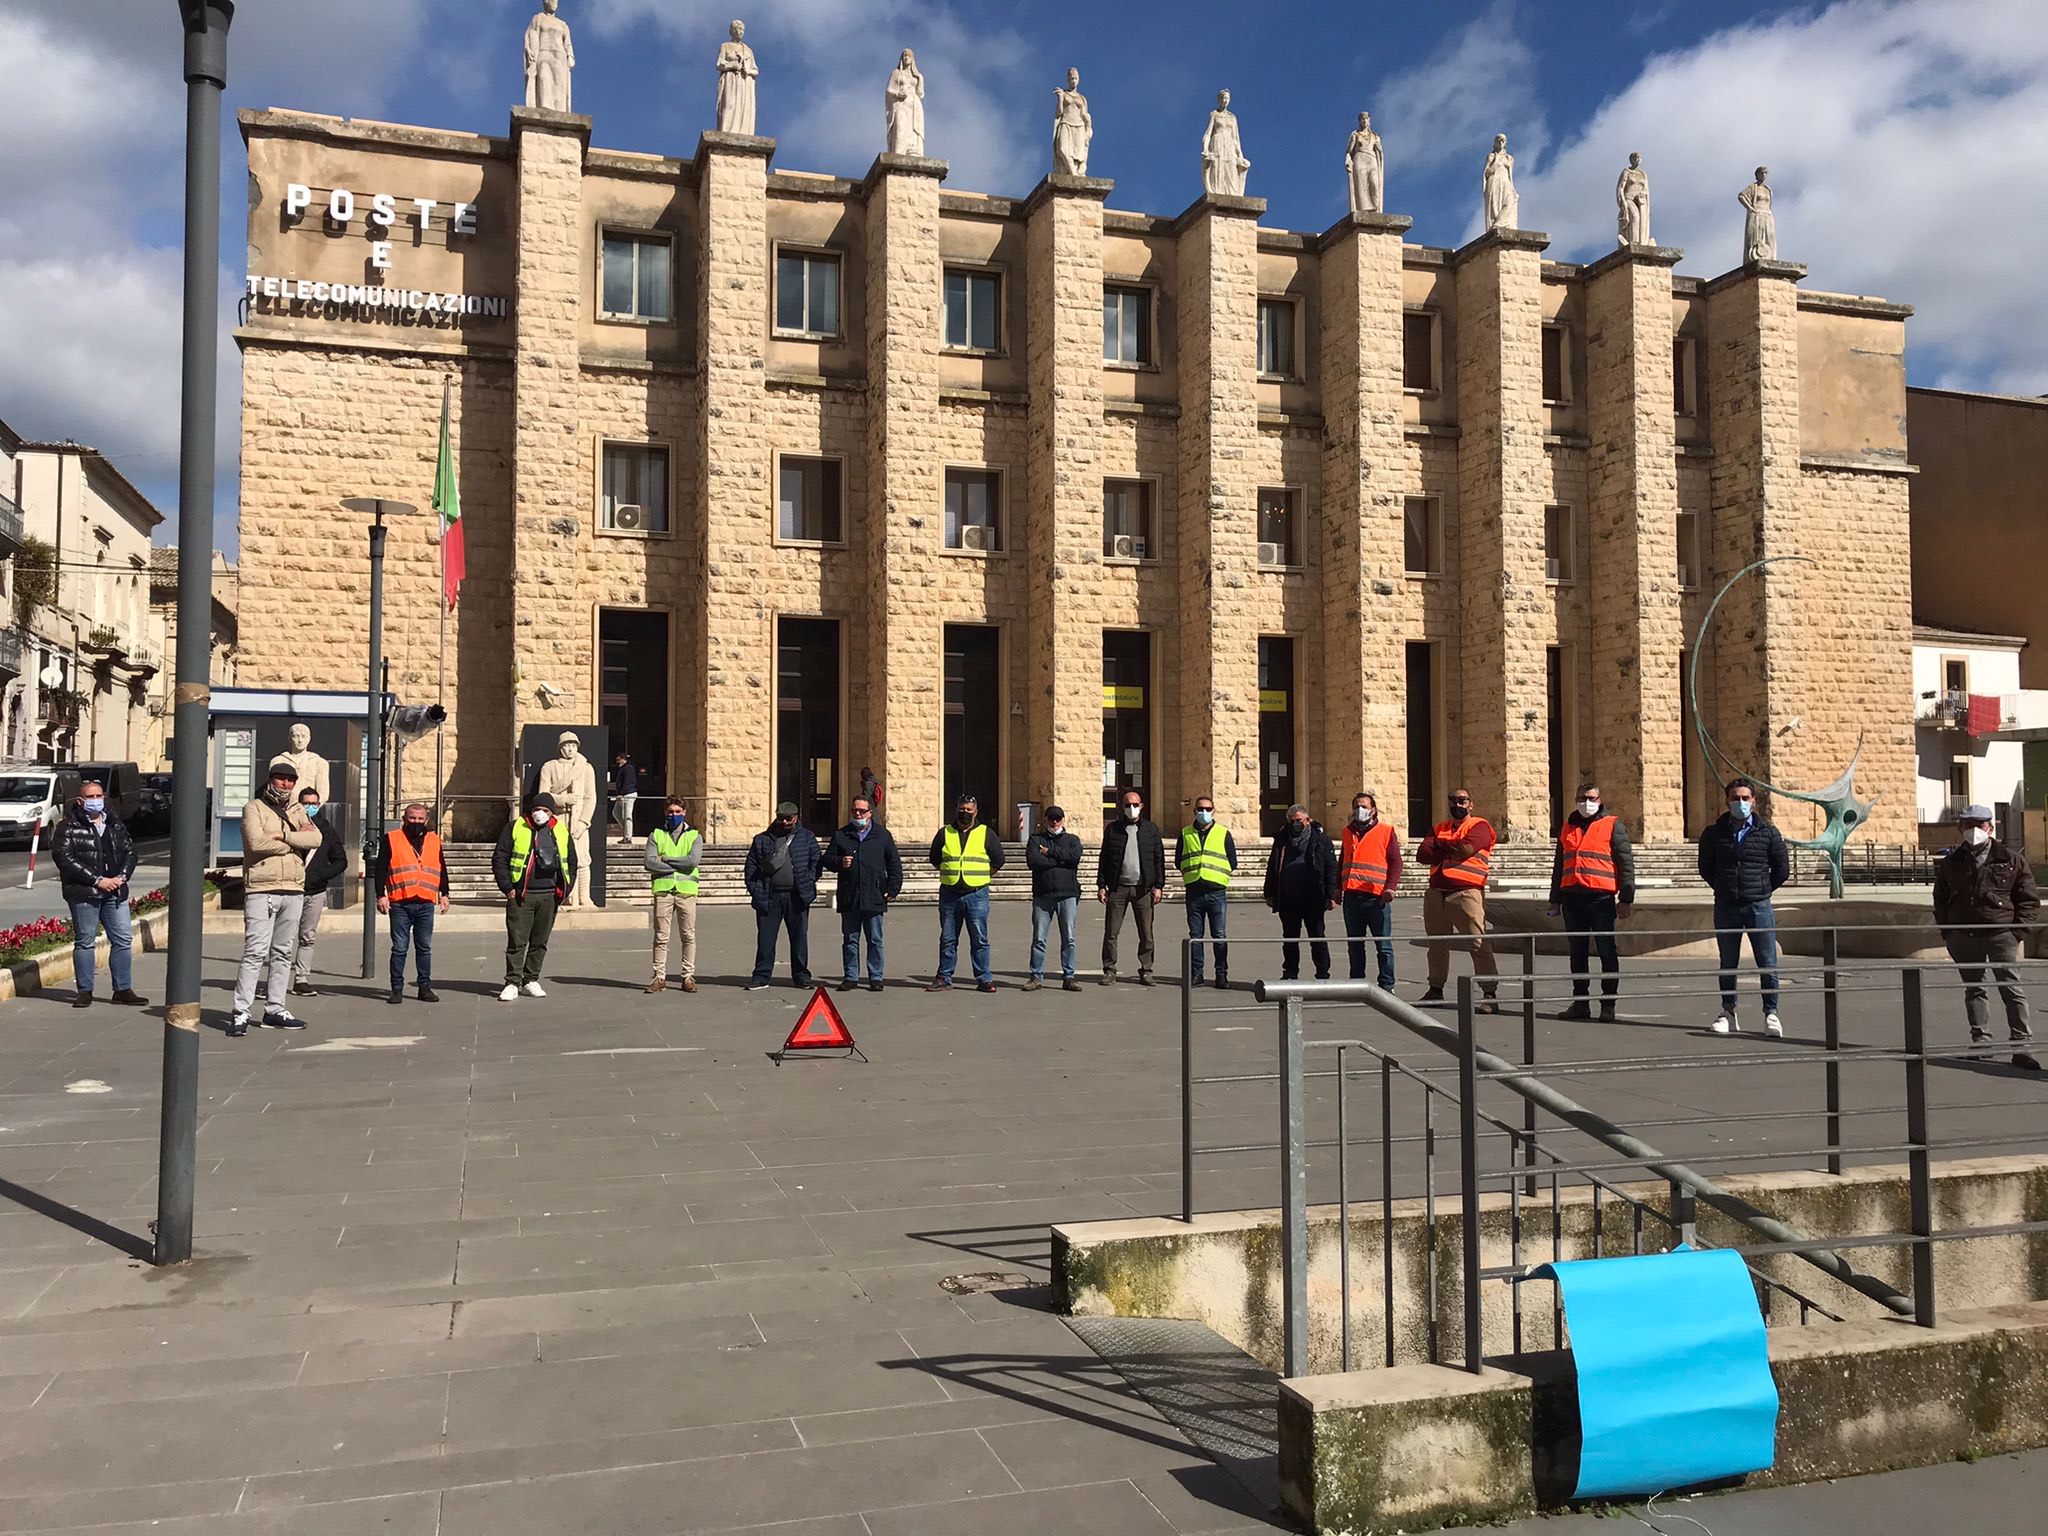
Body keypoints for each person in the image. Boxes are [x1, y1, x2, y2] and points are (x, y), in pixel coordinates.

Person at [1932, 804, 2040, 1071]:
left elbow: (2028, 900)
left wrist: (2017, 933)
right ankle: (1981, 1041)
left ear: (1990, 828)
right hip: (1964, 936)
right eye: (1968, 826)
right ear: (1961, 829)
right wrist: (1948, 932)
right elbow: (1940, 899)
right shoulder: (1951, 862)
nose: (1974, 831)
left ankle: (2021, 1047)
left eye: (1979, 826)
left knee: (2011, 989)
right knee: (1975, 989)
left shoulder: (2011, 859)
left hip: (2001, 934)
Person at [231, 759, 321, 1034]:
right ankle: (241, 1011)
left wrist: (282, 835)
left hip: (293, 888)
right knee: (255, 952)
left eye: (290, 780)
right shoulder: (254, 808)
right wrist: (294, 841)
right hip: (262, 888)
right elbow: (256, 843)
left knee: (283, 952)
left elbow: (316, 839)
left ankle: (275, 1008)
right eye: (280, 778)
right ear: (271, 779)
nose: (285, 784)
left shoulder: (297, 811)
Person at [1697, 777, 1789, 1036]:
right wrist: (1724, 887)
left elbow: (1782, 869)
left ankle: (1771, 1013)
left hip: (1758, 905)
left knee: (1767, 961)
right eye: (1735, 798)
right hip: (1727, 905)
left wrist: (1762, 888)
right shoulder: (1714, 834)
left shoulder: (1768, 832)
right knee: (1728, 961)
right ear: (1727, 801)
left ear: (1754, 801)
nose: (1740, 803)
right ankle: (1728, 1011)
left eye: (1745, 798)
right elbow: (1705, 867)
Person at [53, 778, 146, 1009]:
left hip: (115, 891)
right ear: (80, 800)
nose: (96, 801)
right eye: (91, 797)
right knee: (85, 941)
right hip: (85, 893)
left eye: (99, 796)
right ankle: (85, 991)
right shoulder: (68, 827)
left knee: (123, 939)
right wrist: (97, 881)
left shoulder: (115, 824)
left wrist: (121, 878)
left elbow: (130, 852)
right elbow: (65, 859)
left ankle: (122, 989)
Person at [1549, 782, 1635, 1021]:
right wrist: (1554, 900)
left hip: (1600, 898)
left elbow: (1625, 863)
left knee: (1607, 951)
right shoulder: (1567, 826)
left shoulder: (1612, 825)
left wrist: (1626, 898)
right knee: (1577, 953)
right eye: (1582, 798)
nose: (1587, 803)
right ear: (1576, 799)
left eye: (1592, 798)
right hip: (1572, 898)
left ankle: (1608, 1005)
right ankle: (1580, 1003)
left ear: (1599, 800)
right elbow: (1560, 865)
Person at [1418, 788, 1499, 1013]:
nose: (1458, 804)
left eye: (1462, 801)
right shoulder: (1439, 827)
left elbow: (1466, 849)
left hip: (1466, 893)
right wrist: (1449, 847)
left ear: (1470, 804)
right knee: (1436, 945)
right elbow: (1422, 854)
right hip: (1436, 894)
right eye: (1453, 800)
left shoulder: (1479, 826)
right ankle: (1435, 988)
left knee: (1478, 943)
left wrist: (1440, 846)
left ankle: (1489, 993)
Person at [494, 792, 577, 1002]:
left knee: (540, 940)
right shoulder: (516, 827)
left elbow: (571, 862)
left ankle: (530, 979)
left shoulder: (560, 830)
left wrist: (565, 890)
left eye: (545, 810)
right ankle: (512, 982)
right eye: (536, 809)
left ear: (552, 813)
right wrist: (508, 888)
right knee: (517, 940)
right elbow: (500, 857)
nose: (540, 814)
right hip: (522, 894)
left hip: (549, 895)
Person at [928, 793, 1005, 992]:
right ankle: (944, 976)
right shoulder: (945, 833)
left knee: (979, 939)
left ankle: (984, 978)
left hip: (976, 894)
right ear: (956, 810)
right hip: (950, 893)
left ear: (975, 812)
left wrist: (979, 877)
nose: (965, 812)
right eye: (962, 809)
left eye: (968, 810)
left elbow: (998, 860)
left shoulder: (986, 833)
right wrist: (953, 874)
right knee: (947, 938)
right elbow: (935, 858)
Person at [375, 802, 448, 1004]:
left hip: (425, 901)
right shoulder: (391, 838)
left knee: (424, 948)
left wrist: (445, 893)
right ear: (404, 819)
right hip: (400, 902)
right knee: (399, 948)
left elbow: (442, 867)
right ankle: (396, 989)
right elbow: (381, 868)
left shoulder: (434, 840)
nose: (416, 822)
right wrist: (380, 895)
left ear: (426, 820)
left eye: (420, 819)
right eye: (412, 818)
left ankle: (424, 987)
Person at [828, 793, 902, 992]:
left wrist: (893, 888)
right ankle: (850, 976)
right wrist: (839, 862)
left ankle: (875, 976)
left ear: (870, 813)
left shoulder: (882, 835)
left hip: (874, 895)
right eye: (855, 810)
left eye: (862, 811)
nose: (858, 814)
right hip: (849, 896)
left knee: (875, 939)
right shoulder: (841, 835)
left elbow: (894, 863)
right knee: (850, 939)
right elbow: (827, 860)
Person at [746, 801, 820, 991]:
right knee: (766, 939)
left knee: (799, 939)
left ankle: (801, 976)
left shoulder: (807, 838)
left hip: (797, 896)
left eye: (788, 818)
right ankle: (761, 976)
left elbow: (816, 863)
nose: (784, 822)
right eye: (781, 818)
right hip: (769, 897)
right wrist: (756, 890)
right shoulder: (762, 839)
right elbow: (750, 868)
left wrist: (808, 880)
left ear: (796, 817)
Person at [1097, 788, 1166, 985]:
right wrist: (1102, 885)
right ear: (1122, 807)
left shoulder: (1151, 830)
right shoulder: (1113, 829)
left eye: (1135, 805)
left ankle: (1146, 970)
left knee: (1146, 932)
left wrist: (1159, 886)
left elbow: (1158, 860)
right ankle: (1109, 970)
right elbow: (1104, 859)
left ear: (1142, 806)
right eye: (1128, 805)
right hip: (1118, 888)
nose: (1131, 808)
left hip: (1143, 889)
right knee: (1111, 932)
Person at [1264, 803, 1337, 982]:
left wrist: (1331, 894)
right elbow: (1272, 865)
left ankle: (1322, 974)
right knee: (1289, 939)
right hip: (1288, 897)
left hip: (1313, 897)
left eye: (1298, 820)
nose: (1295, 824)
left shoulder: (1320, 838)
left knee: (1317, 937)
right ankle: (1290, 973)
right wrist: (1270, 892)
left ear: (1307, 820)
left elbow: (1330, 866)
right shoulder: (1281, 838)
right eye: (1292, 821)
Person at [1339, 792, 1403, 990]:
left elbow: (1396, 862)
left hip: (1377, 898)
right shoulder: (1347, 832)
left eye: (1365, 806)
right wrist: (1335, 890)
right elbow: (1342, 861)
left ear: (1373, 810)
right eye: (1357, 806)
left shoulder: (1385, 831)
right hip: (1351, 897)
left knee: (1383, 946)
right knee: (1355, 945)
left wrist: (1390, 887)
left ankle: (1386, 985)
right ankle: (1357, 983)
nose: (1361, 809)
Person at [290, 784, 347, 998]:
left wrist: (320, 875)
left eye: (313, 803)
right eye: (306, 803)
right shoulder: (290, 825)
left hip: (315, 892)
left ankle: (301, 979)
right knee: (282, 937)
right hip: (289, 890)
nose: (309, 807)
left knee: (307, 937)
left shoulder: (327, 830)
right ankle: (272, 982)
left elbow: (340, 861)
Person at [1176, 794, 1238, 989]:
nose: (1204, 813)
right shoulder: (1185, 833)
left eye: (1208, 809)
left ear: (1213, 811)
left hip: (1216, 891)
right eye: (1200, 809)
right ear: (1194, 811)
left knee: (1219, 935)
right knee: (1196, 936)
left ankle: (1221, 975)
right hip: (1194, 890)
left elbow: (1232, 861)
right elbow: (1179, 859)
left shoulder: (1223, 833)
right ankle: (1197, 974)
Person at [644, 797, 703, 994]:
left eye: (678, 811)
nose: (674, 815)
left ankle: (687, 976)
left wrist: (666, 859)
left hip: (686, 892)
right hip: (663, 891)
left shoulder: (695, 835)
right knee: (661, 936)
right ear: (665, 812)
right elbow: (649, 863)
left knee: (688, 935)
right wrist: (679, 863)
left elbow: (692, 862)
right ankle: (659, 977)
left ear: (684, 812)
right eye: (671, 811)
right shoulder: (656, 835)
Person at [1025, 804, 1083, 991]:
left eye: (1058, 818)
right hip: (1043, 895)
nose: (1055, 822)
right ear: (1045, 820)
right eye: (1051, 818)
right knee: (1039, 938)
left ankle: (1069, 975)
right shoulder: (1035, 840)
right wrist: (1060, 860)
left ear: (1063, 820)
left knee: (1069, 938)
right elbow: (1033, 862)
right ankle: (1036, 976)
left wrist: (1049, 853)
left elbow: (1074, 857)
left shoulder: (1072, 840)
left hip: (1068, 895)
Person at [609, 751, 639, 844]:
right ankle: (626, 832)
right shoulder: (623, 768)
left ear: (623, 759)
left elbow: (628, 782)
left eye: (619, 759)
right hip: (623, 794)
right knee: (616, 813)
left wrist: (622, 793)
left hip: (628, 794)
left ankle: (628, 837)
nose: (617, 762)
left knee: (626, 815)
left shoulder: (628, 768)